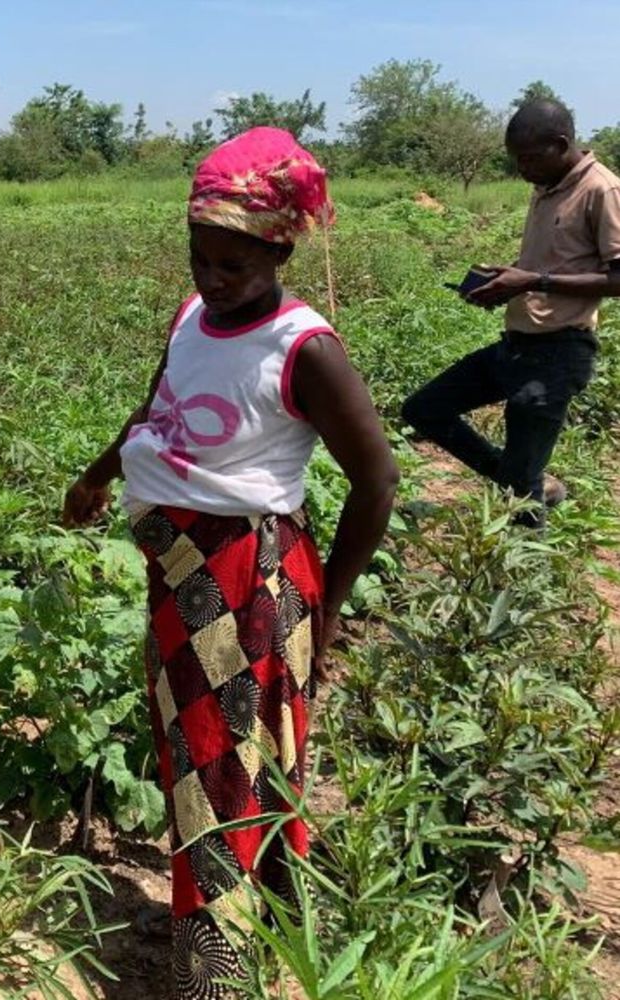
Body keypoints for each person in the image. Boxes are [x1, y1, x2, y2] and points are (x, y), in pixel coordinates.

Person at [63, 128, 398, 998]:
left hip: (249, 578)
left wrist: (327, 613)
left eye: (233, 266)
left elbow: (378, 481)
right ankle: (277, 928)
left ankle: (212, 976)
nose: (212, 279)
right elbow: (158, 404)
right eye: (200, 258)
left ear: (279, 249)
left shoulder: (304, 347)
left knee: (220, 763)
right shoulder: (192, 315)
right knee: (217, 753)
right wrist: (99, 474)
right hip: (181, 569)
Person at [402, 100, 620, 527]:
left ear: (561, 145)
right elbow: (553, 266)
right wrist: (504, 285)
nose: (523, 169)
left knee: (519, 500)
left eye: (530, 158)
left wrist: (532, 281)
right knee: (423, 409)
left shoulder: (602, 190)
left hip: (560, 351)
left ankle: (525, 577)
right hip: (517, 344)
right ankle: (523, 481)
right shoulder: (546, 187)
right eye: (517, 159)